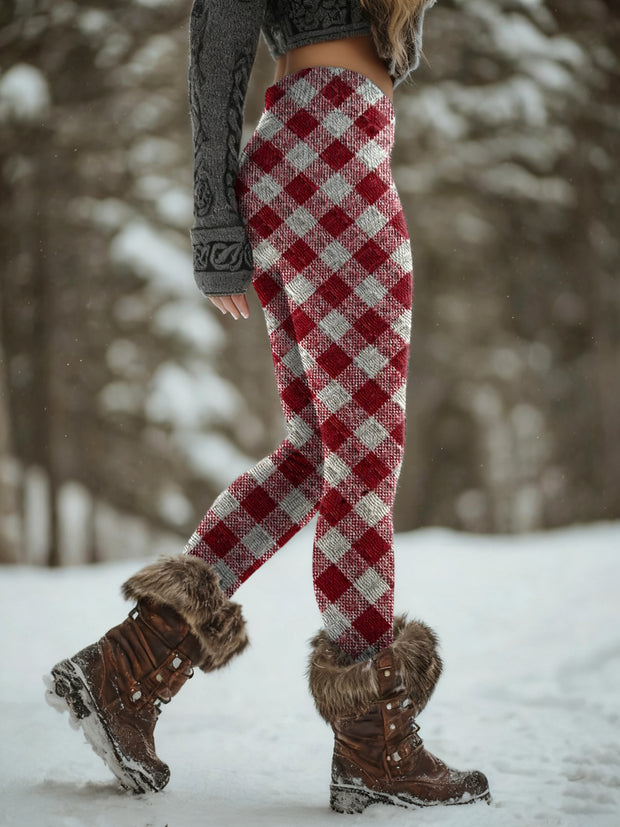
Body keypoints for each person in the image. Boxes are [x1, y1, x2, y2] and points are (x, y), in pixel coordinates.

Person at [45, 0, 491, 813]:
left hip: (311, 145)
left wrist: (229, 207)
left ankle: (131, 663)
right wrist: (213, 222)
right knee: (362, 458)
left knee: (319, 456)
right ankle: (373, 742)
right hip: (333, 152)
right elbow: (219, 26)